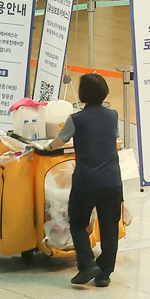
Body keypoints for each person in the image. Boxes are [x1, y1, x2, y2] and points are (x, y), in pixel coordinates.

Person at [43, 73, 124, 287]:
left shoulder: (76, 119)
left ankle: (87, 263)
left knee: (78, 223)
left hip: (86, 182)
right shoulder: (113, 115)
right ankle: (104, 274)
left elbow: (60, 142)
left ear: (82, 94)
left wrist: (48, 147)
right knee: (109, 227)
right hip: (112, 181)